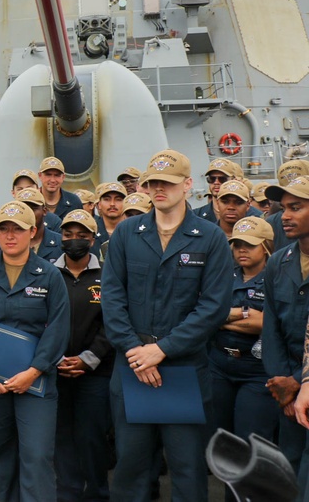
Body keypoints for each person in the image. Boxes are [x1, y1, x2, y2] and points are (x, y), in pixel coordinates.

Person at [101, 149, 233, 502]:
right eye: (154, 183)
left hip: (183, 367)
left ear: (188, 185)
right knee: (130, 467)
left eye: (169, 183)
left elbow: (214, 307)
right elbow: (112, 298)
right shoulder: (128, 234)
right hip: (132, 367)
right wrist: (135, 351)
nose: (160, 189)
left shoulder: (210, 238)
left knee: (187, 468)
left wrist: (162, 350)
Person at [0, 200, 70, 502]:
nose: (10, 235)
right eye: (3, 229)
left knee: (36, 455)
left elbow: (58, 329)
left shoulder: (49, 275)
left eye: (17, 230)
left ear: (32, 232)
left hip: (36, 381)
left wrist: (33, 372)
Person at [53, 209, 113, 502]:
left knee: (92, 439)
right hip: (56, 368)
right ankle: (68, 494)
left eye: (81, 235)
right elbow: (42, 321)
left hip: (96, 372)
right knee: (61, 438)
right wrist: (55, 359)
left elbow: (113, 321)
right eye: (68, 235)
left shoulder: (108, 275)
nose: (74, 240)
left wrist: (90, 358)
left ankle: (98, 494)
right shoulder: (48, 274)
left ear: (93, 238)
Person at [209, 217, 277, 455]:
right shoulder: (222, 275)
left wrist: (223, 318)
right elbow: (207, 317)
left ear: (266, 245)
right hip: (220, 366)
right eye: (238, 245)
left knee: (252, 443)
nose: (242, 250)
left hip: (256, 370)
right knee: (222, 442)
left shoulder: (275, 278)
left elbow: (265, 324)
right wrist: (243, 314)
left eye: (250, 244)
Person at [262, 176, 309, 478]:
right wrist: (285, 384)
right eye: (283, 208)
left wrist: (299, 381)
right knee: (290, 466)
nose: (285, 216)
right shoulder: (278, 262)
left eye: (296, 207)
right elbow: (272, 327)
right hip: (288, 389)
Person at [14, 186, 63, 262]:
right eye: (23, 209)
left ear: (44, 211)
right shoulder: (6, 241)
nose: (29, 214)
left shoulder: (60, 243)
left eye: (33, 209)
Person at [93, 181, 127, 258]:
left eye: (118, 199)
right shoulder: (90, 231)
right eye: (107, 199)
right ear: (99, 205)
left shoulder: (132, 230)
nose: (112, 204)